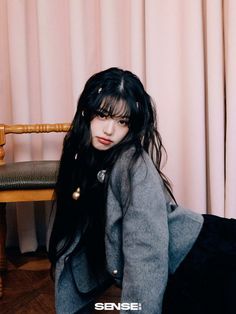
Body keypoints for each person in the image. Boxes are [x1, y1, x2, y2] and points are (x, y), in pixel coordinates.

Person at [48, 67, 236, 314]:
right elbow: (74, 235)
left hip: (206, 257)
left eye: (122, 121)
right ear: (86, 112)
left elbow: (145, 253)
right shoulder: (81, 154)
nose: (109, 130)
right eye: (103, 115)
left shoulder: (134, 165)